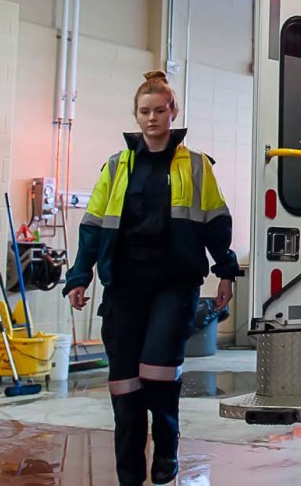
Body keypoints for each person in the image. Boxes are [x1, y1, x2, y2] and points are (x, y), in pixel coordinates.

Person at [64, 71, 239, 485]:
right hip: (124, 284)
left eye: (159, 110)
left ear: (172, 112)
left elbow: (216, 222)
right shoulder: (116, 166)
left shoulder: (195, 165)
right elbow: (92, 226)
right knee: (124, 383)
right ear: (136, 115)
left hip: (173, 283)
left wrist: (226, 271)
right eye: (144, 112)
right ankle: (129, 473)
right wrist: (79, 276)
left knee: (158, 369)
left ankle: (166, 447)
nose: (152, 118)